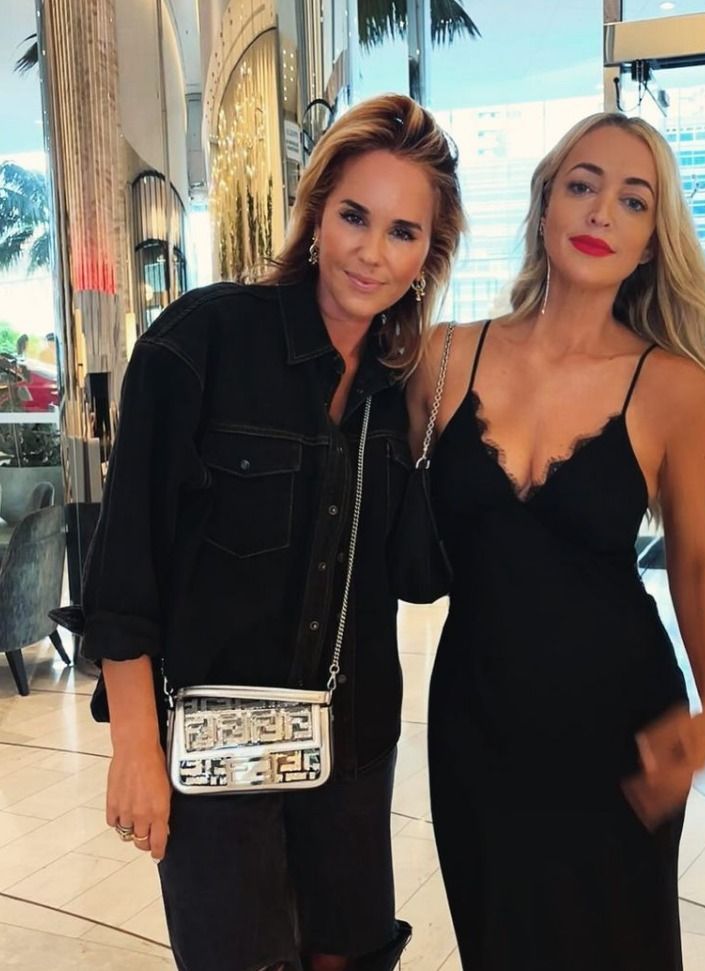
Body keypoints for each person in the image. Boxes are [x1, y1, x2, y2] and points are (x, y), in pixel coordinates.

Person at [77, 94, 465, 971]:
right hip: (216, 755)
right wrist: (135, 745)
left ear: (428, 253)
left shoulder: (400, 390)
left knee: (349, 957)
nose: (372, 251)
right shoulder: (204, 340)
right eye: (355, 216)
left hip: (351, 748)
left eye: (403, 232)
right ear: (317, 211)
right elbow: (126, 566)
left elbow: (416, 573)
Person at [408, 112, 705, 970]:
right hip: (477, 721)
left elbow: (694, 563)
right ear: (545, 203)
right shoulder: (442, 358)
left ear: (651, 242)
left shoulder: (672, 387)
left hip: (617, 727)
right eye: (583, 185)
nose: (601, 213)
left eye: (633, 201)